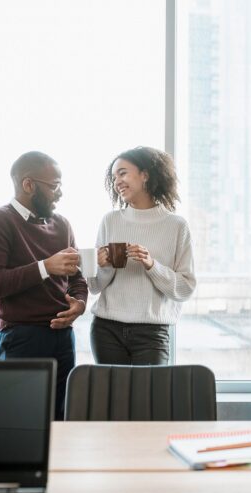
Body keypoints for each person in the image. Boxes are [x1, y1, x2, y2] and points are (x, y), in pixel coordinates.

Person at [0, 151, 87, 421]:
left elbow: (77, 278)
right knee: (21, 421)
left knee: (61, 418)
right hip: (20, 338)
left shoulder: (62, 225)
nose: (60, 193)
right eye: (54, 186)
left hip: (63, 337)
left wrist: (80, 303)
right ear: (28, 185)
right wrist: (45, 267)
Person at [88, 146, 195, 365]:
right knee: (113, 398)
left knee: (148, 398)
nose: (117, 181)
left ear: (145, 175)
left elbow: (185, 289)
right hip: (106, 330)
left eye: (123, 173)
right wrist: (104, 266)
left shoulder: (176, 226)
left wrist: (151, 265)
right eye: (114, 176)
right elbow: (94, 286)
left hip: (152, 333)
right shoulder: (110, 221)